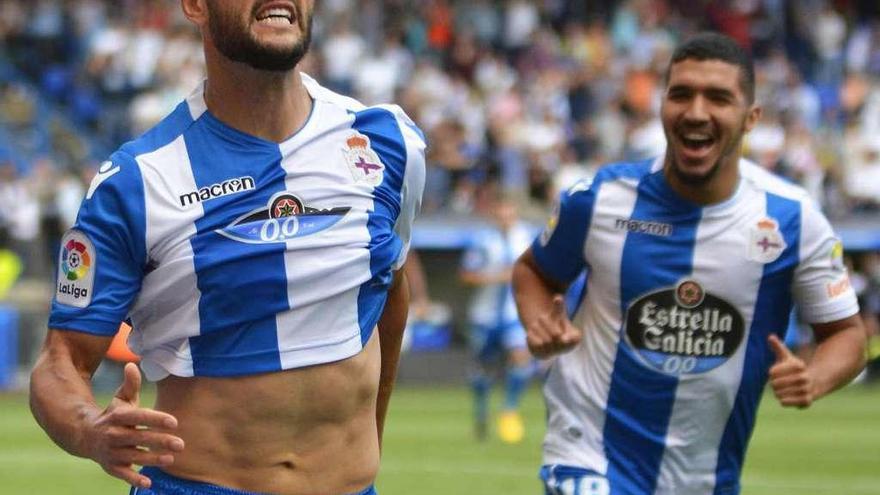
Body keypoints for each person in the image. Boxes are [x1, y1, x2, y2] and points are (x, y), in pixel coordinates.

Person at [29, 1, 426, 494]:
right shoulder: (138, 180)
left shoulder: (388, 141)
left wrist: (369, 445)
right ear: (196, 7)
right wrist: (90, 430)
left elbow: (390, 286)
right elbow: (59, 361)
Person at [512, 32, 866, 495]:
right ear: (662, 107)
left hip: (708, 476)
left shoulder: (794, 220)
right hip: (588, 455)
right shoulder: (600, 200)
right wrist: (540, 323)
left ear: (751, 118)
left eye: (718, 98)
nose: (696, 112)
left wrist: (814, 377)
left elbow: (847, 333)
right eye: (681, 94)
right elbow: (534, 271)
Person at [459, 191, 534, 443]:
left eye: (509, 212)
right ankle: (481, 413)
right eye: (500, 212)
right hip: (485, 314)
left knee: (520, 357)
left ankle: (509, 409)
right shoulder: (482, 241)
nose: (505, 217)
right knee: (483, 367)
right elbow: (467, 276)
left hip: (514, 312)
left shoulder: (528, 237)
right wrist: (496, 276)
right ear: (494, 214)